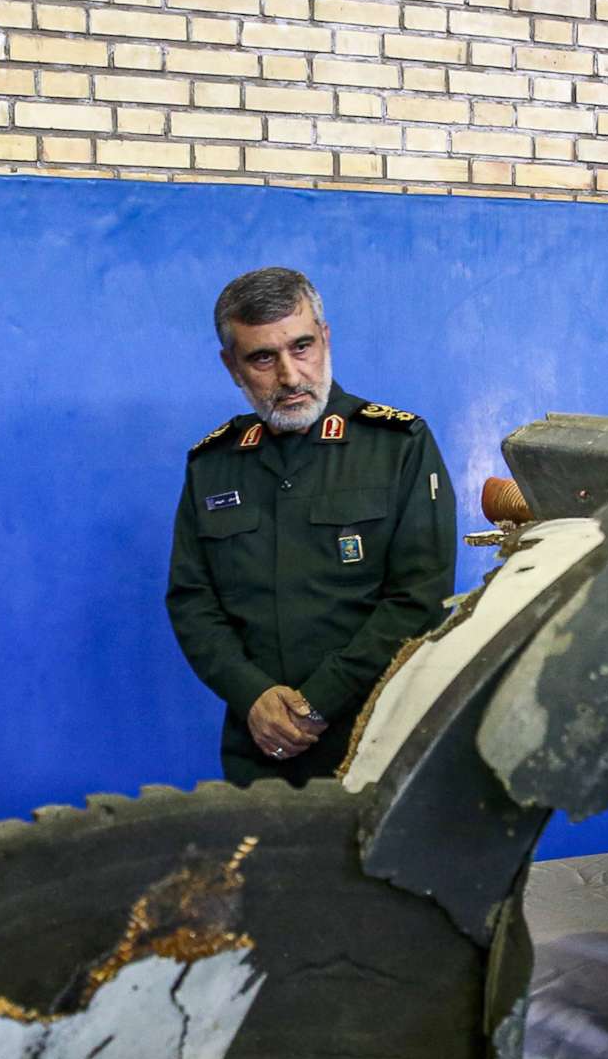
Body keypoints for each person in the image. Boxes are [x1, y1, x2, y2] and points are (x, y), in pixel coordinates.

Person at [167, 267, 457, 785]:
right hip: (259, 748)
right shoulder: (211, 464)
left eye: (302, 347)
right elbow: (193, 601)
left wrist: (316, 702)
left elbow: (419, 597)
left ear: (325, 338)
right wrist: (252, 695)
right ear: (231, 365)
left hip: (378, 739)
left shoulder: (398, 446)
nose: (290, 376)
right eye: (262, 357)